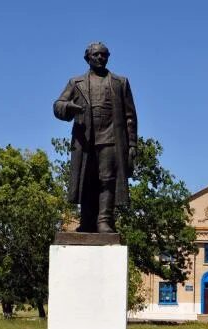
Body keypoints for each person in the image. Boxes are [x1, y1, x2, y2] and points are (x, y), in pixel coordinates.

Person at [53, 42, 138, 233]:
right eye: (96, 55)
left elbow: (130, 116)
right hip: (85, 139)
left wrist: (132, 144)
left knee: (107, 179)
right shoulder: (76, 83)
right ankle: (87, 221)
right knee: (87, 179)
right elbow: (58, 105)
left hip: (111, 138)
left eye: (104, 55)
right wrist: (69, 108)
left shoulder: (120, 82)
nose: (100, 58)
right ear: (87, 58)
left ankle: (104, 221)